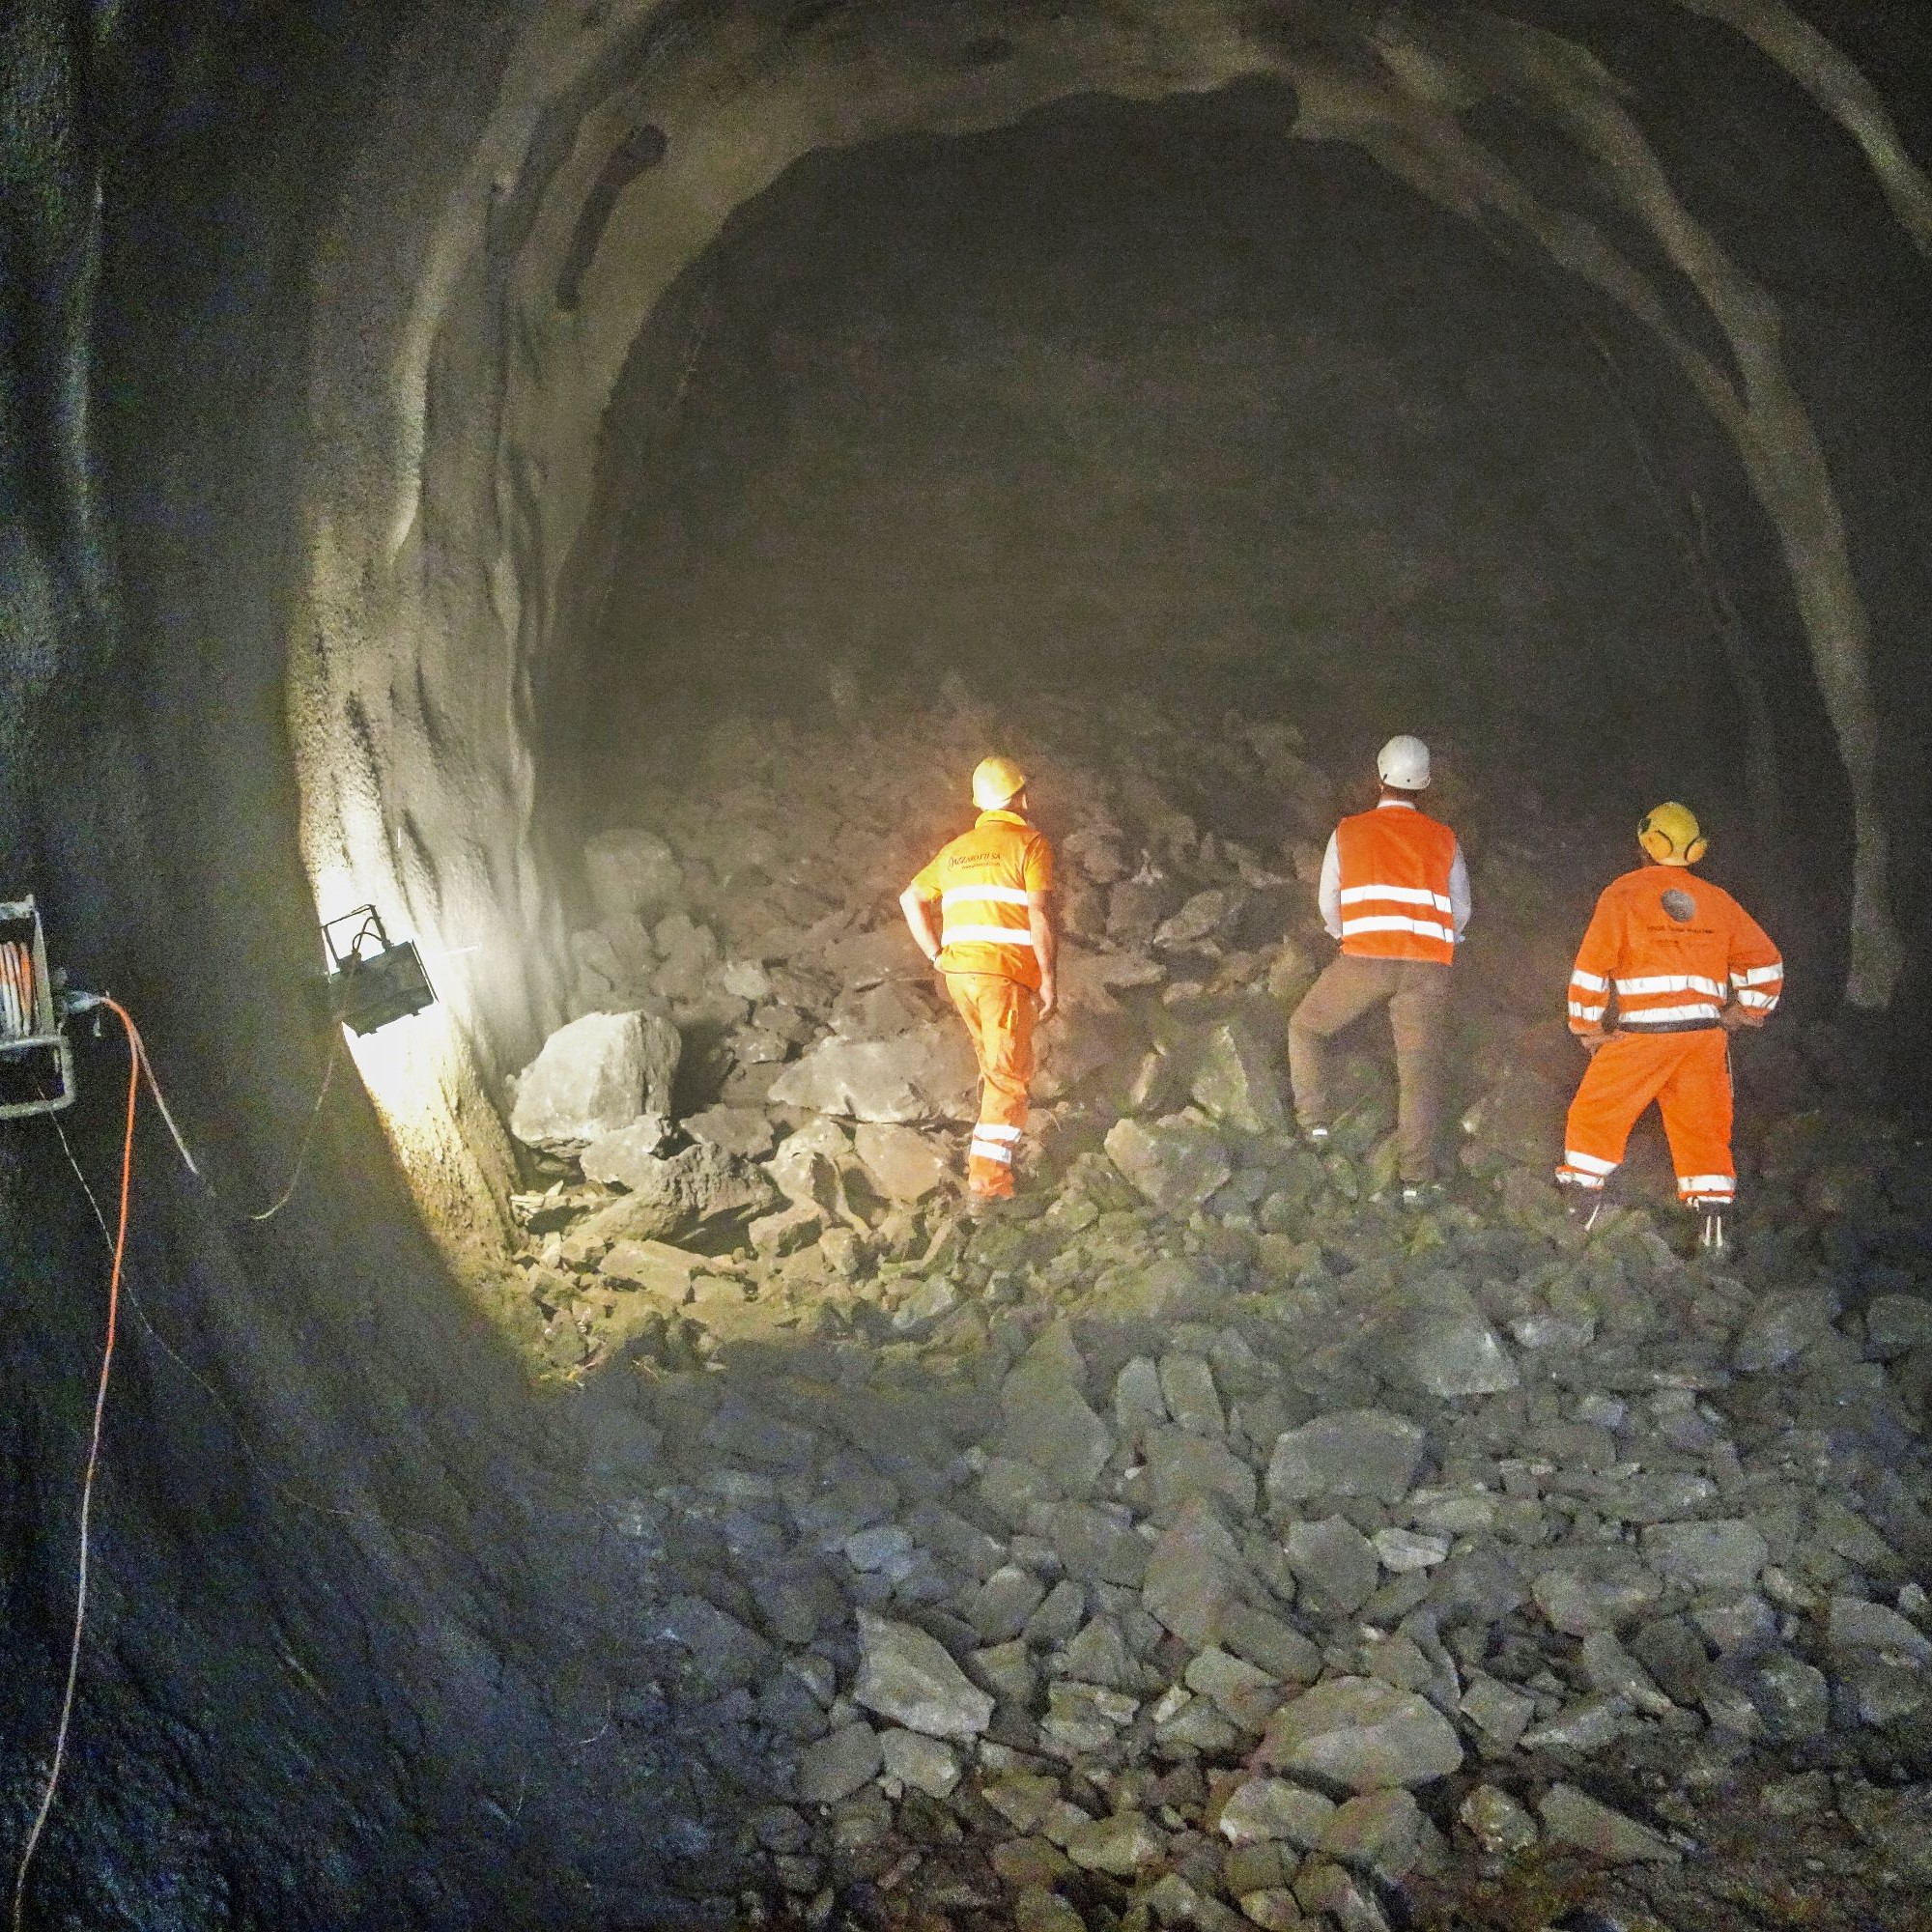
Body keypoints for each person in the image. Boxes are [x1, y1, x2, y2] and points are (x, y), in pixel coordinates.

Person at [1556, 802, 1781, 1252]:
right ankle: (1712, 1231)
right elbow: (1765, 961)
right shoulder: (1717, 901)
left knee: (1597, 1112)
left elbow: (1592, 968)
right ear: (1697, 850)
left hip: (1642, 1034)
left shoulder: (1621, 896)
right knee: (1703, 1127)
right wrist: (1747, 1011)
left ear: (1645, 844)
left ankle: (1580, 1210)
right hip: (1702, 1036)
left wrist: (1587, 1027)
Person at [1288, 733, 1471, 1205]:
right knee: (1418, 1072)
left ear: (1379, 777)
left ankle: (1315, 1127)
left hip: (1366, 957)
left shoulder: (1349, 831)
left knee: (1306, 1028)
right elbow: (1461, 909)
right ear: (1426, 785)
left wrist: (1343, 935)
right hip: (1428, 967)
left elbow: (1329, 900)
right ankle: (1415, 1181)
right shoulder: (1443, 838)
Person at [900, 756, 1056, 1204]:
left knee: (993, 1066)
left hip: (960, 974)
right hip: (1002, 974)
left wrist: (936, 955)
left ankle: (985, 1161)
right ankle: (988, 1187)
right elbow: (1039, 916)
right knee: (1008, 1077)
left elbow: (910, 898)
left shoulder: (957, 850)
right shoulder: (1030, 844)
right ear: (1022, 797)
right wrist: (1048, 978)